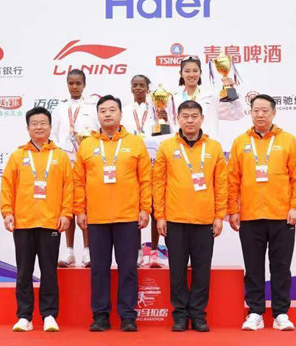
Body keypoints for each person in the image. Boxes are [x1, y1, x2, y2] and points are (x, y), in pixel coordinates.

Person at [227, 94, 296, 331]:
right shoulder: (240, 142)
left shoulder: (288, 140)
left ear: (274, 113)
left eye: (265, 111)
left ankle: (281, 313)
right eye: (256, 111)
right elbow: (232, 179)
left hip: (282, 215)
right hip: (250, 215)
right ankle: (255, 312)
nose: (260, 115)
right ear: (250, 113)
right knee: (253, 268)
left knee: (280, 267)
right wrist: (233, 210)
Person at [73, 95, 152, 332]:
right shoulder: (86, 145)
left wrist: (145, 208)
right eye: (103, 111)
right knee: (99, 269)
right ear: (97, 115)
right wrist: (80, 210)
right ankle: (100, 316)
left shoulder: (135, 143)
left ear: (120, 114)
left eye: (112, 110)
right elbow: (78, 181)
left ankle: (128, 316)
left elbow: (145, 179)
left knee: (128, 269)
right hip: (96, 218)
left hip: (127, 217)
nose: (107, 114)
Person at [152, 100, 227, 332]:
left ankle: (198, 315)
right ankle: (180, 315)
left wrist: (219, 215)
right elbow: (158, 184)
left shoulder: (214, 147)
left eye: (194, 116)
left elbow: (221, 184)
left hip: (205, 221)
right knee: (177, 271)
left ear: (202, 119)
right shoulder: (166, 147)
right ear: (178, 119)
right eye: (185, 116)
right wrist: (160, 216)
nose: (190, 120)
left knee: (202, 271)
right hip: (175, 220)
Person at [0, 107, 74, 332]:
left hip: (51, 222)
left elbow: (68, 187)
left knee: (49, 271)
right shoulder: (18, 156)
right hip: (23, 222)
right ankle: (24, 316)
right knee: (24, 271)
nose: (39, 127)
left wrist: (66, 213)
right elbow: (7, 186)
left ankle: (49, 315)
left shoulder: (60, 156)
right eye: (35, 123)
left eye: (43, 123)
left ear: (50, 127)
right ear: (28, 128)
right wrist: (7, 212)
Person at [51, 69, 99, 268]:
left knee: (86, 206)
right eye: (71, 83)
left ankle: (87, 251)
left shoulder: (93, 107)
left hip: (87, 162)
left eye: (78, 83)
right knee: (68, 206)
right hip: (66, 162)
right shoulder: (60, 108)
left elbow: (97, 133)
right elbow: (53, 135)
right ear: (67, 84)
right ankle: (69, 250)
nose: (74, 86)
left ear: (84, 84)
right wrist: (62, 152)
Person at [121, 74, 165, 268]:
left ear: (148, 89)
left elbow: (166, 135)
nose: (138, 88)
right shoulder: (123, 110)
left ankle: (154, 252)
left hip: (154, 163)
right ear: (131, 88)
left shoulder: (158, 110)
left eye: (142, 85)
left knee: (154, 208)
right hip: (132, 163)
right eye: (135, 85)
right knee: (136, 209)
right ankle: (138, 252)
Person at [166, 56, 245, 139]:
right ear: (181, 74)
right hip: (181, 144)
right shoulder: (173, 99)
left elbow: (235, 114)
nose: (191, 75)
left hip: (207, 144)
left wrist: (230, 90)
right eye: (187, 71)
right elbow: (171, 126)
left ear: (200, 72)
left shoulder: (211, 97)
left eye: (195, 71)